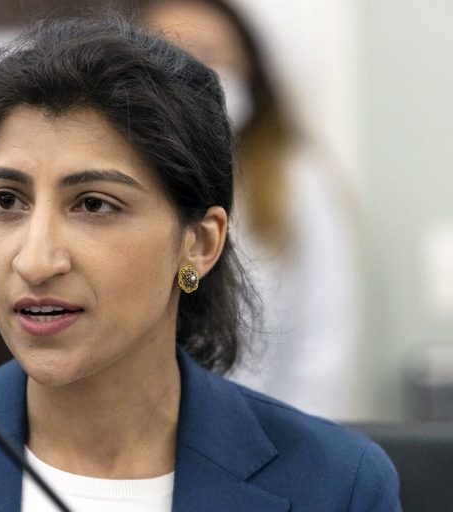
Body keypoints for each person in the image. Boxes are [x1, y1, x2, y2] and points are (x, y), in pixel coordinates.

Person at [0, 15, 399, 511]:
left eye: (93, 204)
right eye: (6, 201)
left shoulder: (337, 485)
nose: (35, 260)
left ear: (199, 243)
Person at [141, 0, 364, 420]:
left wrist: (297, 445)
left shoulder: (298, 181)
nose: (190, 72)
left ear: (249, 68)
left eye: (208, 53)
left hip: (272, 434)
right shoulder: (123, 185)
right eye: (166, 56)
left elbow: (326, 338)